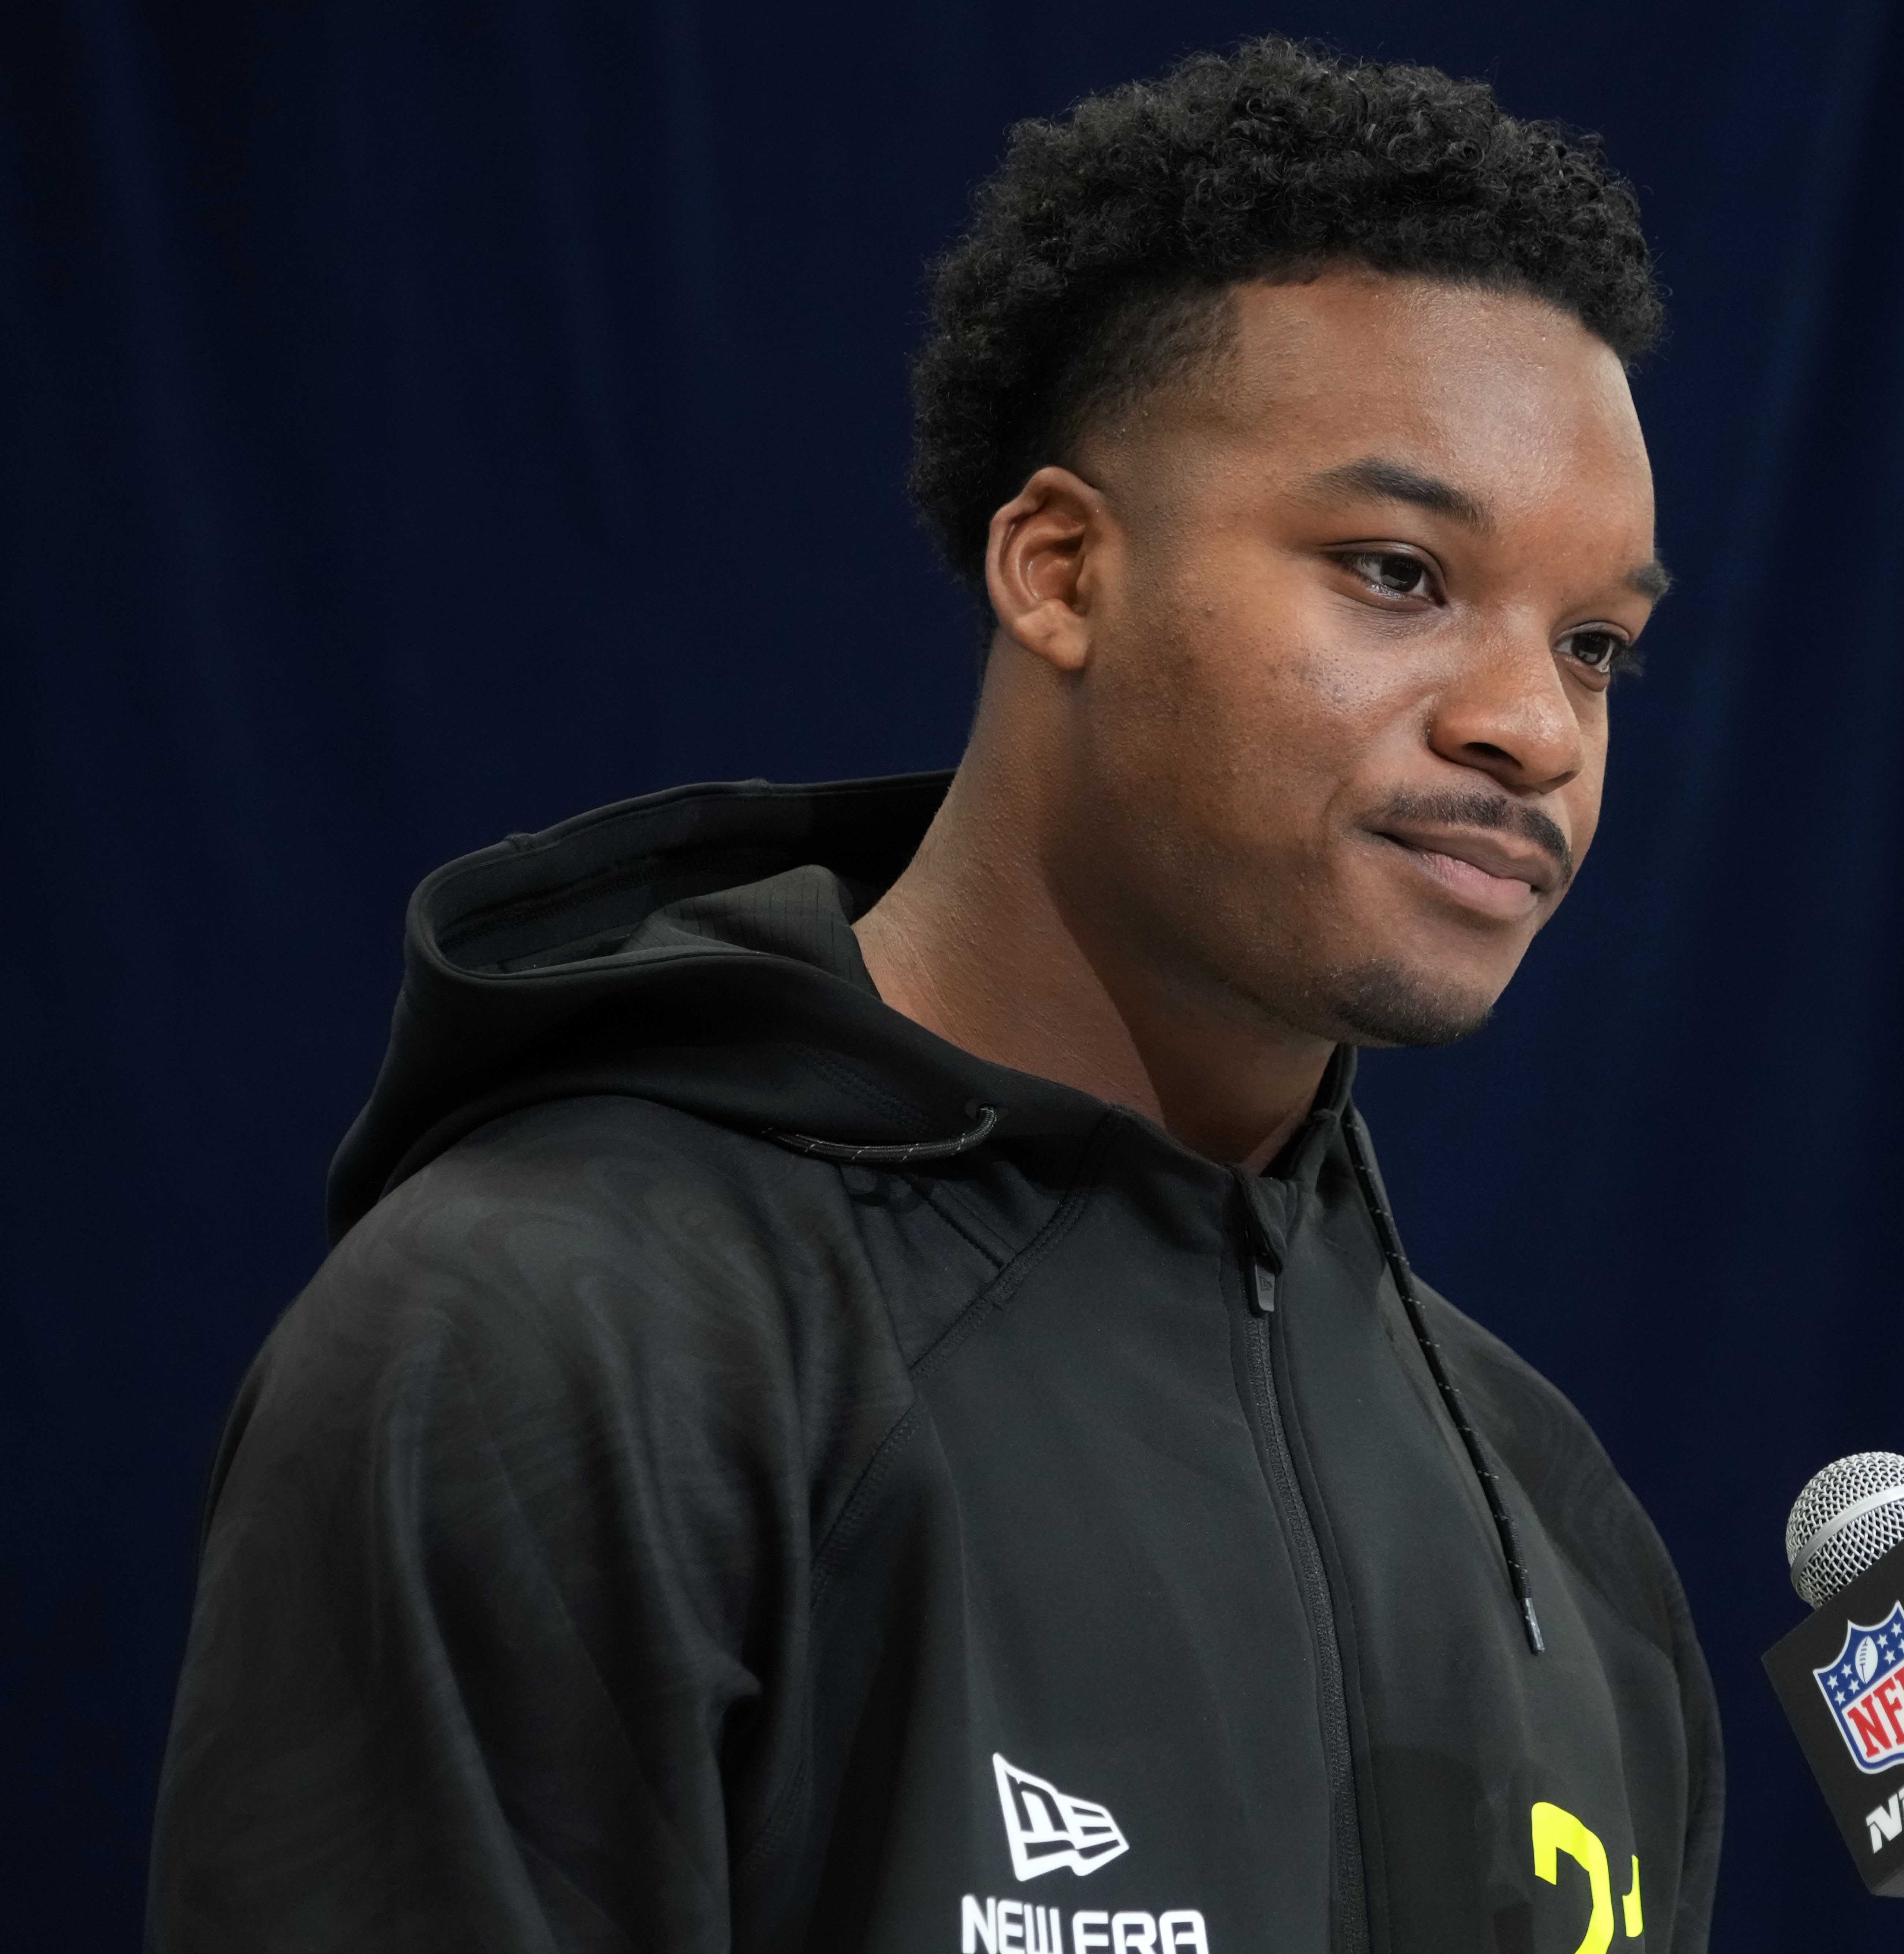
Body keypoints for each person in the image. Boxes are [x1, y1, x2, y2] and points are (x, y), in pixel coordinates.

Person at [148, 38, 1719, 1954]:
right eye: (1395, 572)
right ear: (1060, 567)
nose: (1528, 726)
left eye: (1595, 645)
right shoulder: (563, 1335)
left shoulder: (1554, 1517)